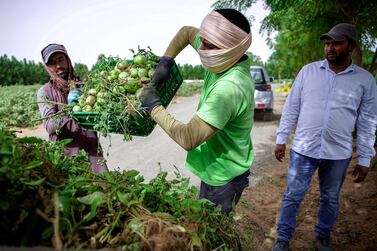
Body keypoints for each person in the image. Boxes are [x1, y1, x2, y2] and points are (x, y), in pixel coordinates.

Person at [272, 23, 377, 251]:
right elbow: (291, 107)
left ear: (351, 45)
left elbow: (368, 121)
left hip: (338, 153)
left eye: (337, 43)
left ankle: (322, 237)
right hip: (303, 149)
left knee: (330, 198)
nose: (330, 48)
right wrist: (281, 138)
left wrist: (365, 158)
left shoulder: (365, 80)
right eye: (328, 43)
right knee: (293, 195)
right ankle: (283, 238)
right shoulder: (308, 71)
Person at [140, 9, 254, 214]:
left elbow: (189, 138)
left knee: (215, 236)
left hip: (224, 177)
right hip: (217, 168)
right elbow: (186, 32)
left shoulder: (230, 87)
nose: (201, 48)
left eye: (209, 46)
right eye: (203, 41)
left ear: (230, 49)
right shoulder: (225, 58)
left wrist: (154, 106)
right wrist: (167, 60)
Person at [37, 43, 108, 173]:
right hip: (68, 157)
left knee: (104, 186)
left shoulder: (83, 86)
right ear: (48, 67)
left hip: (92, 150)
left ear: (67, 60)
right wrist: (70, 109)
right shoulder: (45, 91)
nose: (58, 66)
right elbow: (50, 125)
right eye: (53, 63)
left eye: (60, 59)